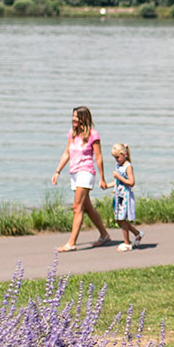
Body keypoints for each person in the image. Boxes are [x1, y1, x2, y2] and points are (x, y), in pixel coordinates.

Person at [50, 106, 112, 252]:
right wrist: (57, 171)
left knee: (77, 207)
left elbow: (98, 157)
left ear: (83, 118)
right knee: (88, 208)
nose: (73, 119)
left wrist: (102, 178)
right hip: (74, 173)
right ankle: (104, 235)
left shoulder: (93, 135)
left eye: (76, 117)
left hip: (86, 172)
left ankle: (71, 243)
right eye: (73, 116)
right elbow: (66, 154)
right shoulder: (72, 133)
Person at [109, 143, 144, 252]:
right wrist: (108, 185)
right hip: (118, 195)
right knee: (118, 219)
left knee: (121, 219)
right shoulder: (119, 165)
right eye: (115, 158)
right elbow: (117, 181)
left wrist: (118, 176)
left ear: (124, 154)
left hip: (124, 196)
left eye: (117, 157)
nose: (116, 160)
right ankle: (137, 234)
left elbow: (131, 182)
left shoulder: (128, 166)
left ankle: (127, 243)